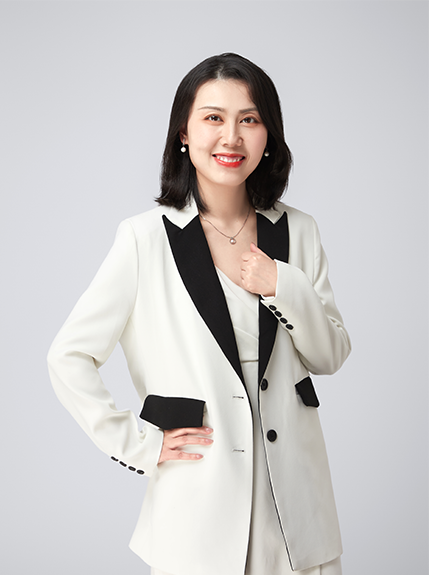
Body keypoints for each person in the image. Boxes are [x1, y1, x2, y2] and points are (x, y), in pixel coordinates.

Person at [48, 53, 351, 575]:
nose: (231, 137)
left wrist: (284, 285)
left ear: (268, 136)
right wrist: (139, 445)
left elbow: (330, 355)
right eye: (213, 117)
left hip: (298, 514)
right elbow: (68, 357)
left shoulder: (299, 231)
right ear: (184, 134)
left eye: (249, 119)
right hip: (198, 512)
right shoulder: (144, 238)